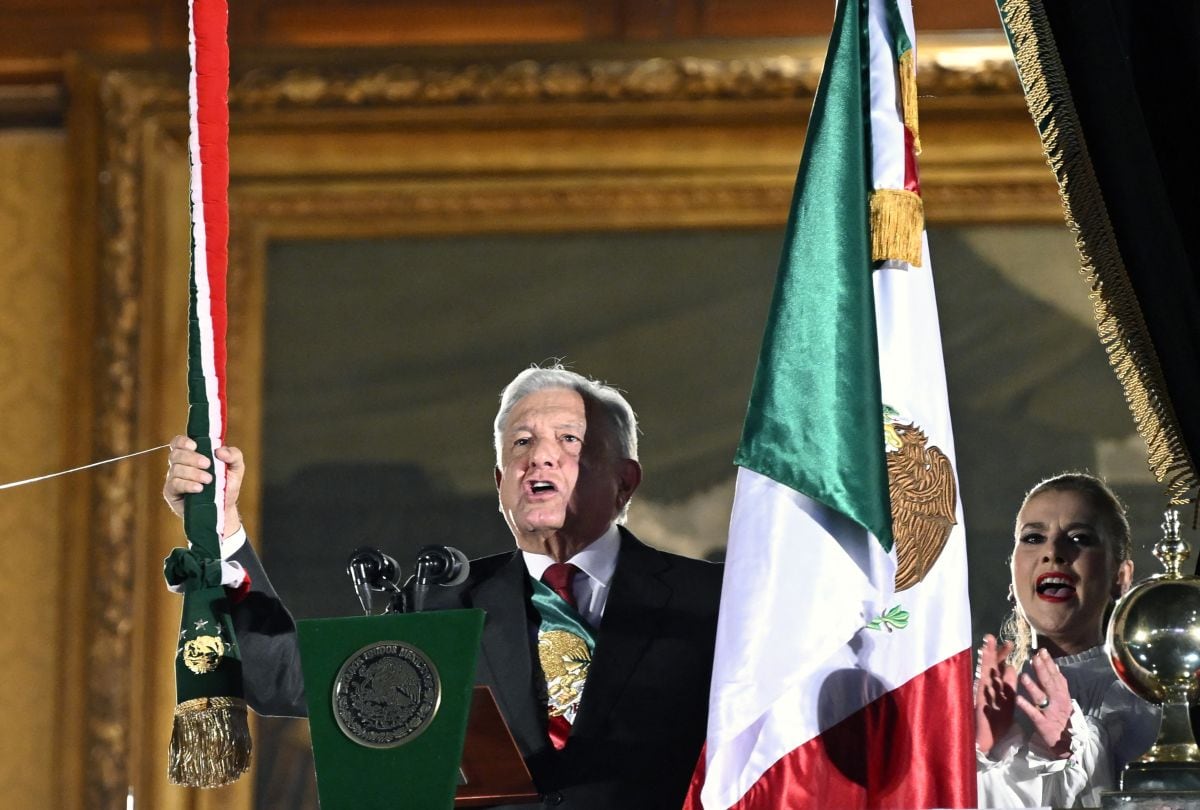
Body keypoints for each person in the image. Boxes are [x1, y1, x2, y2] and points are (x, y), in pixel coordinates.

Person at [163, 365, 724, 810]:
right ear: (500, 483)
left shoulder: (714, 601)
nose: (540, 456)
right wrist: (221, 528)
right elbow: (282, 676)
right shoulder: (442, 599)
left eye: (570, 439)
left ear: (625, 480)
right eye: (521, 443)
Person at [974, 473, 1159, 808]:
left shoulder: (1146, 701)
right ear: (1013, 575)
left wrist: (1069, 750)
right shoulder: (986, 699)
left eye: (1080, 538)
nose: (1053, 553)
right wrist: (980, 758)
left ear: (1121, 577)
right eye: (1033, 538)